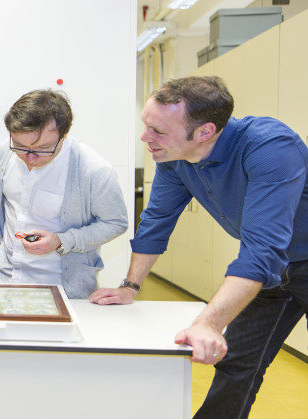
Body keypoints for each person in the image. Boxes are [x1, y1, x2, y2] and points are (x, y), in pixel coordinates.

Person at [89, 76, 308, 418]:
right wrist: (130, 286)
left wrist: (207, 322)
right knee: (237, 361)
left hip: (274, 260)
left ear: (204, 132)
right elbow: (157, 221)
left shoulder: (270, 147)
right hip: (274, 271)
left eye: (158, 131)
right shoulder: (176, 158)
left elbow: (262, 249)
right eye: (146, 126)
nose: (146, 138)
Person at [0, 89, 128, 298]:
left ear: (64, 135)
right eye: (20, 146)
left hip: (61, 290)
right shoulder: (5, 152)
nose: (29, 157)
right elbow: (5, 209)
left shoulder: (93, 170)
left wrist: (61, 240)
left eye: (43, 148)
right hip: (5, 279)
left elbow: (116, 223)